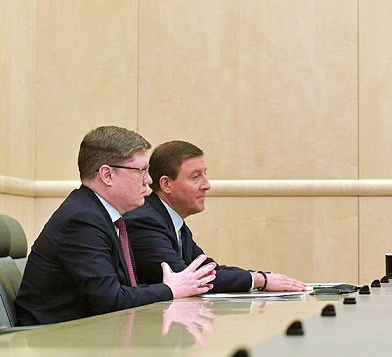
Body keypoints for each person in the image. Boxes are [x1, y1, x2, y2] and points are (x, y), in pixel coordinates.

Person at [16, 126, 217, 325]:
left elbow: (122, 291)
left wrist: (169, 288)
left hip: (90, 331)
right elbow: (110, 300)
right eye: (141, 170)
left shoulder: (102, 215)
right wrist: (171, 289)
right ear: (108, 175)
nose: (148, 180)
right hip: (52, 338)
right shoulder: (82, 220)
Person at [124, 140, 306, 293]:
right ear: (166, 184)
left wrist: (262, 278)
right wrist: (259, 280)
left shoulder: (172, 222)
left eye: (205, 174)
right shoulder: (145, 222)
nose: (207, 185)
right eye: (195, 177)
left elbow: (210, 269)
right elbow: (190, 279)